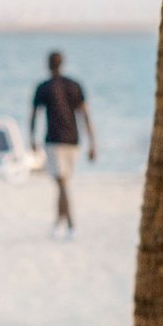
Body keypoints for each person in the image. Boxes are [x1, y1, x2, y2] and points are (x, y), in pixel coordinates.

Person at [29, 50, 98, 237]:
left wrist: (31, 139)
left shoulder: (44, 87)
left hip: (55, 140)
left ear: (48, 64)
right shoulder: (74, 86)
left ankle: (70, 224)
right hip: (73, 140)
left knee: (61, 183)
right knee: (62, 181)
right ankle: (58, 221)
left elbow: (34, 115)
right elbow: (85, 115)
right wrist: (92, 143)